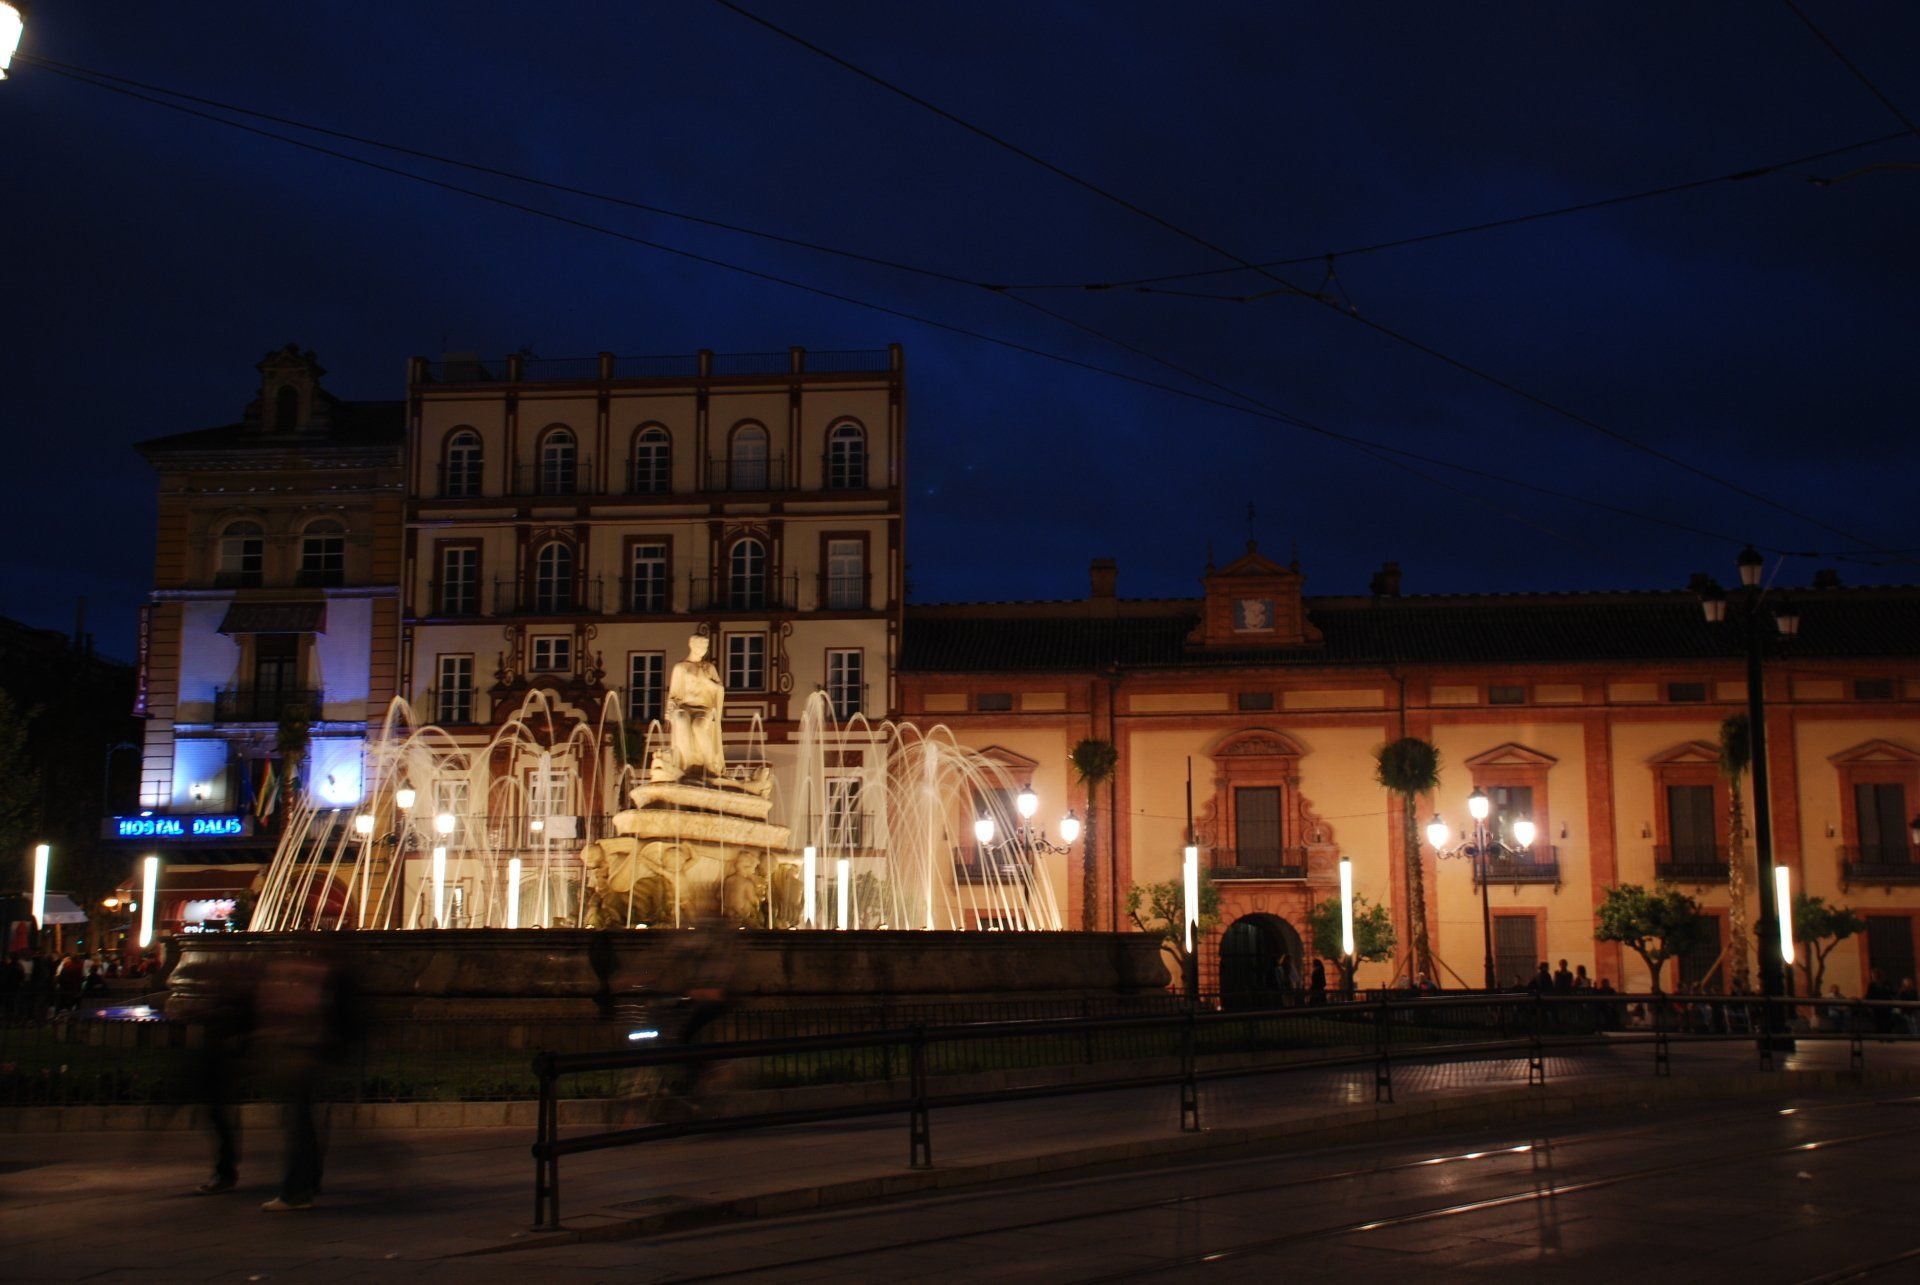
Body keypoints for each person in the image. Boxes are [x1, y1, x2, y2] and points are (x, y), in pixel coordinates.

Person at [665, 634, 727, 781]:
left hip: (704, 709)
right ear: (691, 645)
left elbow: (719, 690)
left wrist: (704, 680)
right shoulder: (680, 668)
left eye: (705, 647)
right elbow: (673, 694)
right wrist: (669, 712)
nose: (703, 650)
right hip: (685, 707)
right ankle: (687, 764)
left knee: (698, 727)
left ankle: (710, 764)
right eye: (700, 646)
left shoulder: (708, 668)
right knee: (680, 719)